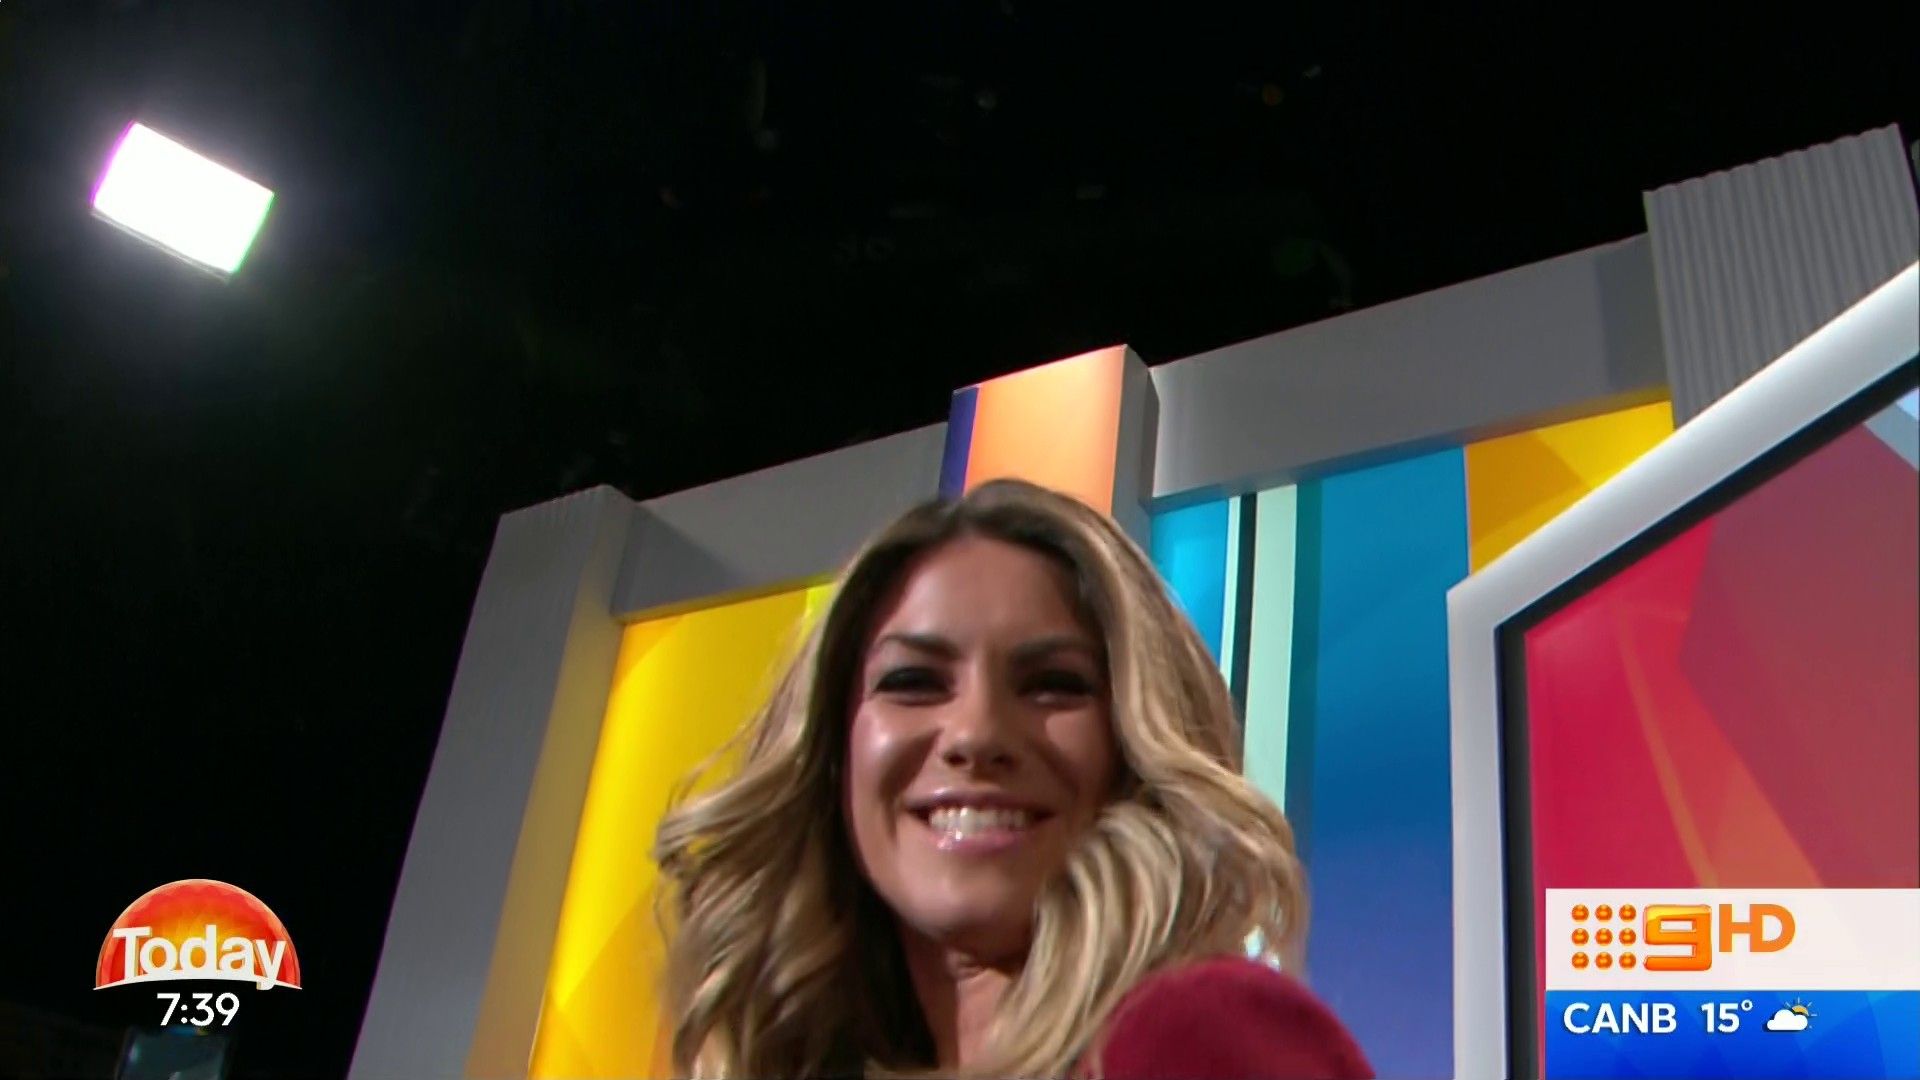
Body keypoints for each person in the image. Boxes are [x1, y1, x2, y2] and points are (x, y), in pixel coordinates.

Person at [654, 478, 1373, 1079]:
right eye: (912, 681)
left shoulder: (1194, 1035)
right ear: (832, 753)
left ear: (1132, 752)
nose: (977, 735)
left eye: (1054, 683)